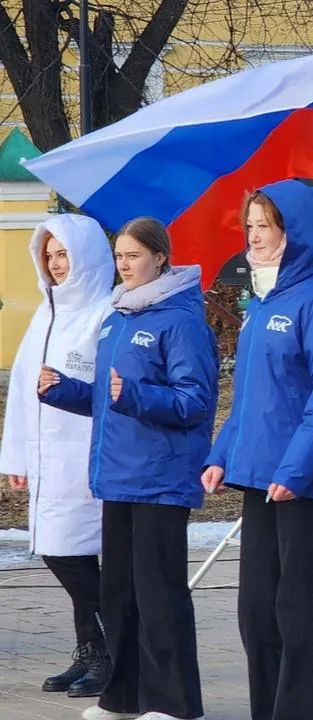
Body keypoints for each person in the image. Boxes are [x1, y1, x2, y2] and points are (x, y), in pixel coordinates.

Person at [202, 181, 313, 720]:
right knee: (258, 615)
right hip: (260, 479)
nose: (253, 237)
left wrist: (296, 469)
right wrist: (222, 453)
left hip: (305, 485)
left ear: (293, 234)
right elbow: (250, 397)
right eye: (249, 225)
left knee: (303, 616)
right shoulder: (261, 303)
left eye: (264, 226)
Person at [41, 217, 215, 720]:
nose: (124, 264)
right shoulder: (118, 316)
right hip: (117, 475)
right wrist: (64, 390)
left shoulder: (180, 320)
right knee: (119, 594)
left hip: (160, 479)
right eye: (119, 255)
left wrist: (136, 395)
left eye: (134, 255)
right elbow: (106, 397)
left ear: (161, 258)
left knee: (159, 595)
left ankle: (174, 703)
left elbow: (195, 401)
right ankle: (124, 697)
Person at [0, 215, 114, 699]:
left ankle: (108, 652)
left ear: (86, 255)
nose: (55, 264)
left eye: (64, 253)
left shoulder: (105, 312)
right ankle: (91, 648)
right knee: (59, 549)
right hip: (48, 457)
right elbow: (25, 389)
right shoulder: (45, 314)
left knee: (74, 552)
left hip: (84, 453)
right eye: (48, 255)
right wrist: (17, 458)